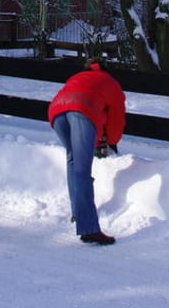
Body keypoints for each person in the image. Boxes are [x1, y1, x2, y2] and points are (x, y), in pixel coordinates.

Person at [47, 56, 126, 246]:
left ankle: (78, 212)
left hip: (56, 111)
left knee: (73, 161)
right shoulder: (110, 83)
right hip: (82, 108)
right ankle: (89, 228)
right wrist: (111, 141)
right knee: (82, 169)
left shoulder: (77, 77)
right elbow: (116, 118)